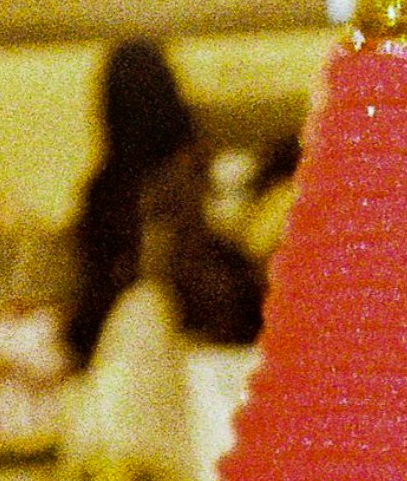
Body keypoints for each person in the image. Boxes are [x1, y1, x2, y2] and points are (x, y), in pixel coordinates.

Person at [65, 40, 265, 367]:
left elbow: (97, 287)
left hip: (141, 352)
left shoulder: (107, 190)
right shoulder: (203, 174)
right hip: (217, 342)